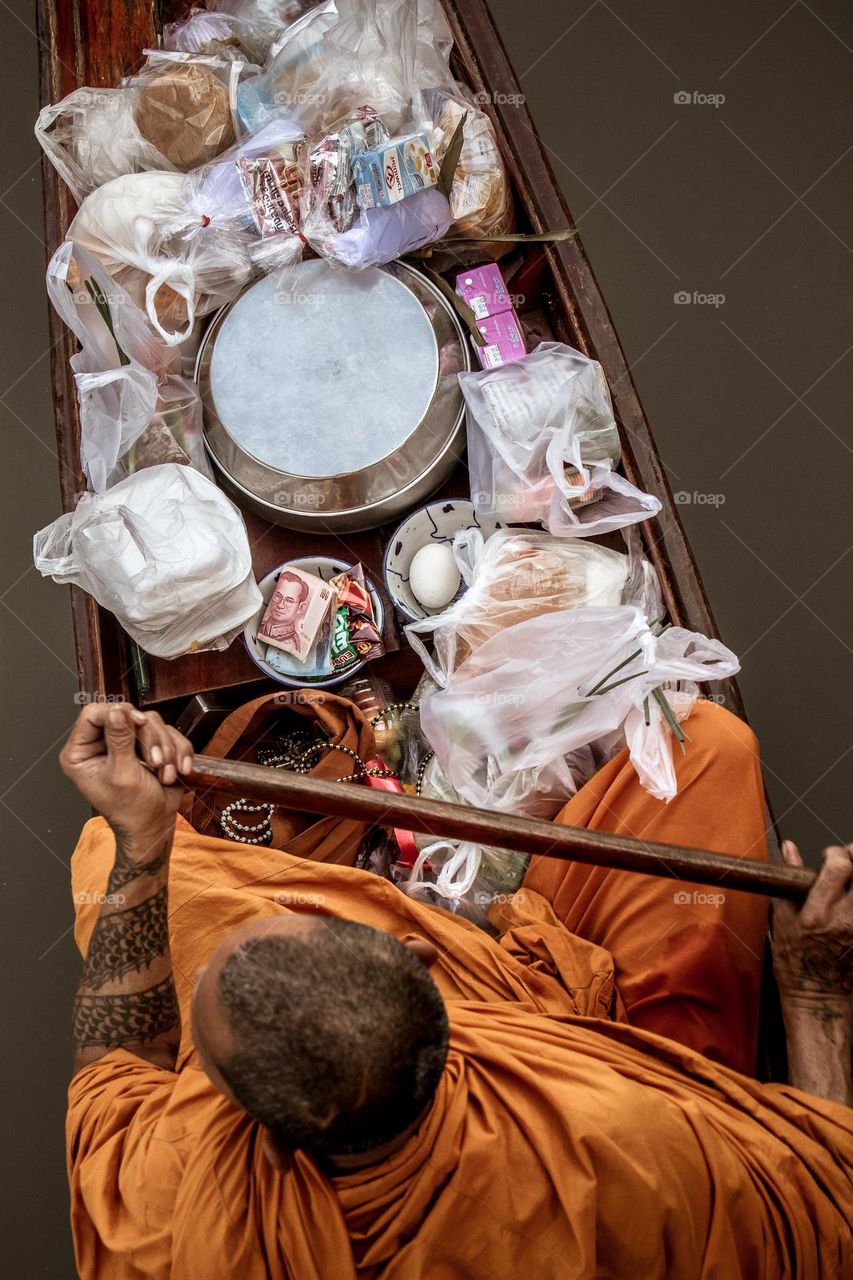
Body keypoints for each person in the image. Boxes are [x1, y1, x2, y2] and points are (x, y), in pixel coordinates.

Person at [62, 701, 853, 1280]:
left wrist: (145, 833)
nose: (199, 967)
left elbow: (120, 1053)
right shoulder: (631, 1143)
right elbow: (837, 1212)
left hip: (534, 1021)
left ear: (260, 1140)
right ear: (422, 956)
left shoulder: (176, 1215)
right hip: (586, 1039)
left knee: (114, 858)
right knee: (707, 747)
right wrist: (814, 995)